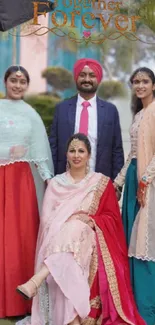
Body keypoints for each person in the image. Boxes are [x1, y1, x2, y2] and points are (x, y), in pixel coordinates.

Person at [16, 133, 145, 325]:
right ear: (66, 155)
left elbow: (112, 219)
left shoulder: (100, 183)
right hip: (59, 242)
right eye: (72, 151)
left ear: (89, 155)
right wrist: (68, 226)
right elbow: (47, 223)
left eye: (81, 151)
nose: (76, 155)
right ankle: (73, 320)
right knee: (67, 255)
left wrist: (91, 220)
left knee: (76, 226)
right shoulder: (56, 184)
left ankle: (37, 280)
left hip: (89, 241)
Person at [0, 65, 54, 318]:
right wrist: (8, 152)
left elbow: (40, 152)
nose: (18, 85)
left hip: (22, 184)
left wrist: (51, 183)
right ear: (5, 82)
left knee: (21, 236)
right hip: (1, 178)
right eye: (13, 80)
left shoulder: (32, 114)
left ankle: (19, 301)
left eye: (23, 81)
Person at [114, 67, 155, 325]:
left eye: (145, 81)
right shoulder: (139, 114)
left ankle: (146, 308)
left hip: (148, 182)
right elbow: (132, 155)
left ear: (154, 85)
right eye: (136, 81)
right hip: (133, 179)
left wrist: (146, 179)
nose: (139, 85)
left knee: (145, 241)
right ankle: (133, 304)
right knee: (130, 238)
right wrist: (117, 182)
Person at [49, 58, 124, 183]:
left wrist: (117, 184)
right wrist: (51, 179)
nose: (87, 79)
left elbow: (117, 150)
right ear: (76, 78)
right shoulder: (62, 109)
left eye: (92, 75)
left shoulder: (110, 111)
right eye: (82, 75)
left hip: (100, 180)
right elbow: (53, 147)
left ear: (98, 79)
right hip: (66, 181)